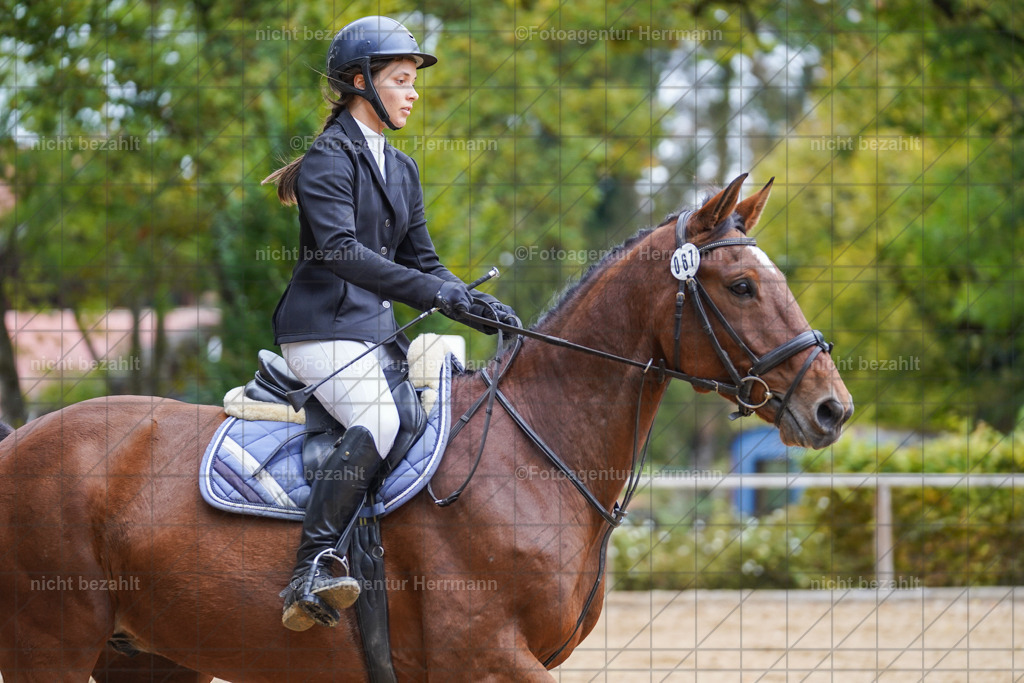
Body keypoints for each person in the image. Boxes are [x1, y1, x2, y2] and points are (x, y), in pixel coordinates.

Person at [262, 15, 517, 631]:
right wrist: (435, 292)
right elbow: (342, 253)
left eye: (413, 81)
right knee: (379, 419)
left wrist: (473, 304)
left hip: (373, 336)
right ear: (360, 83)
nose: (413, 92)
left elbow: (423, 262)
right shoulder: (328, 158)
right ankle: (311, 566)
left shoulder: (402, 168)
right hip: (320, 331)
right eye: (401, 80)